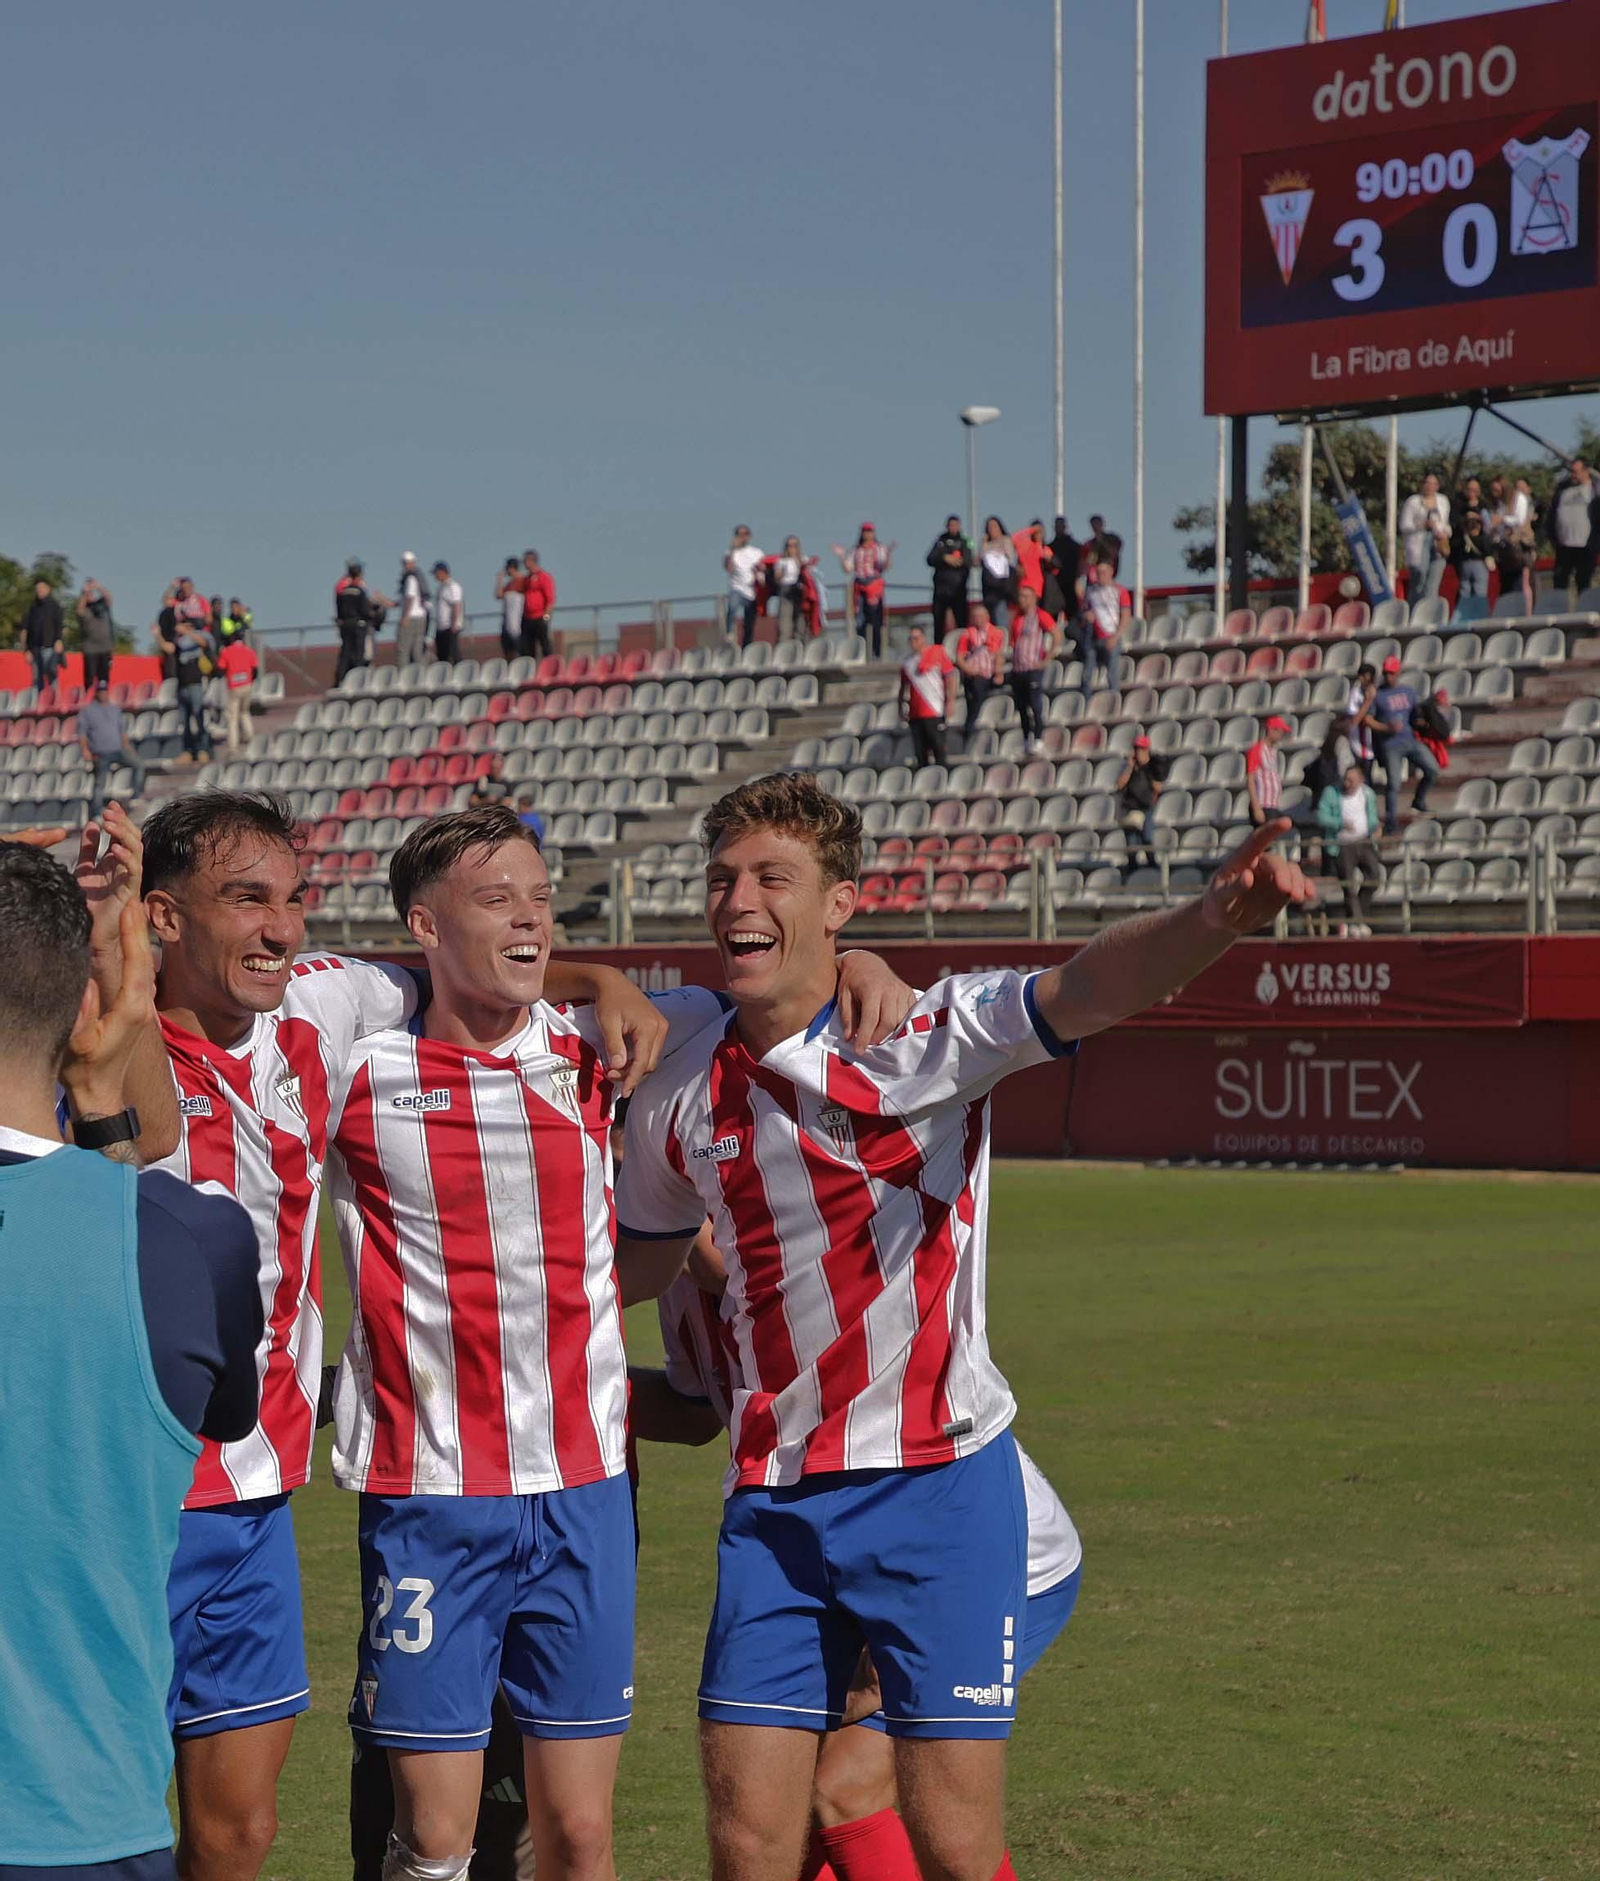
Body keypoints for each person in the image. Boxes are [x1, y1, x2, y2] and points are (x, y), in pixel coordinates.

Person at [611, 771, 1313, 1881]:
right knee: (746, 1843)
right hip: (775, 1506)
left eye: (771, 877)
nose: (736, 899)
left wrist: (1211, 918)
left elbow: (1087, 985)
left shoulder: (924, 1035)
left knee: (950, 1841)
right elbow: (639, 1258)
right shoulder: (677, 1081)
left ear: (841, 904)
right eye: (721, 878)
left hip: (937, 1491)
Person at [320, 807, 908, 1881]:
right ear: (424, 926)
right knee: (436, 1836)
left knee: (581, 1836)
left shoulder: (614, 1043)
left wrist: (859, 952)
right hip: (430, 1495)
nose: (531, 921)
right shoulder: (355, 1071)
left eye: (542, 901)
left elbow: (781, 980)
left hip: (587, 1493)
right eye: (497, 901)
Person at [141, 790, 669, 1881]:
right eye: (246, 900)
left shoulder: (340, 1012)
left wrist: (605, 977)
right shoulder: (124, 1042)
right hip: (342, 1490)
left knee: (251, 1830)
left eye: (293, 902)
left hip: (284, 1493)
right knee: (105, 1814)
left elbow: (756, 1007)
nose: (280, 929)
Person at [650, 1244, 1080, 1881]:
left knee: (844, 1787)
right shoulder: (675, 1284)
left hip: (990, 1554)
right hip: (820, 1544)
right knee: (776, 1813)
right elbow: (692, 1410)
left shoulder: (814, 1236)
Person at [0, 839, 262, 1881]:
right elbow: (216, 1408)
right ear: (80, 1014)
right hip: (82, 1828)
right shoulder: (189, 1240)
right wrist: (110, 1095)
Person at [1369, 656, 1438, 833]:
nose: (1388, 677)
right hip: (1391, 744)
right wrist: (1385, 727)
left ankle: (1419, 800)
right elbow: (1367, 720)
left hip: (1409, 739)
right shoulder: (1377, 694)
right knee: (1394, 783)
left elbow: (1415, 714)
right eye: (1385, 673)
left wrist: (1422, 720)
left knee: (1432, 769)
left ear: (1398, 673)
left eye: (1391, 673)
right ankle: (1391, 821)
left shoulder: (1408, 692)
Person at [1317, 763, 1384, 933]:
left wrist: (1376, 827)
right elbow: (1321, 816)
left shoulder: (1367, 794)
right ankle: (1356, 923)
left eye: (1351, 781)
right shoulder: (1331, 793)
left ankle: (1354, 919)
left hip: (1365, 841)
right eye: (1345, 780)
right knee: (1348, 884)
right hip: (1343, 844)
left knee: (1374, 877)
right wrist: (1340, 824)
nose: (1347, 783)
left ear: (1361, 781)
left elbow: (1372, 816)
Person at [79, 678, 148, 818]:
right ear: (96, 693)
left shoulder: (114, 709)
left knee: (139, 764)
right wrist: (85, 750)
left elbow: (122, 730)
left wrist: (127, 746)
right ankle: (96, 812)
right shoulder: (87, 711)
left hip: (118, 750)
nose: (103, 694)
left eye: (105, 691)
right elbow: (82, 733)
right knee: (99, 783)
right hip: (100, 752)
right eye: (100, 691)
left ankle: (136, 795)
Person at [156, 606, 215, 764]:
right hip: (182, 685)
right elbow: (168, 648)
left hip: (195, 683)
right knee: (184, 720)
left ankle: (204, 749)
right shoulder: (179, 641)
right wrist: (158, 636)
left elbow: (204, 643)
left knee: (199, 716)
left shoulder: (200, 635)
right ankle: (188, 751)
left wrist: (188, 631)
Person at [899, 623, 956, 771]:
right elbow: (903, 687)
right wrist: (900, 707)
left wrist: (950, 701)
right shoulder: (907, 662)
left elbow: (950, 677)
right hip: (915, 714)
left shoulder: (936, 652)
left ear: (923, 638)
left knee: (938, 749)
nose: (913, 642)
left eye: (916, 638)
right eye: (910, 639)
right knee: (920, 753)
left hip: (934, 710)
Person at [829, 525, 894, 655]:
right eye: (865, 532)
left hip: (874, 587)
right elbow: (848, 569)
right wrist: (841, 556)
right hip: (859, 588)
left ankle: (877, 652)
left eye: (870, 532)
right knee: (860, 622)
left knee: (876, 622)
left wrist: (889, 554)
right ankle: (862, 651)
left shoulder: (879, 549)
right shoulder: (855, 550)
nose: (867, 535)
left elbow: (885, 566)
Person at [1008, 585, 1056, 754]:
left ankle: (1038, 738)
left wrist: (1045, 660)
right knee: (1021, 707)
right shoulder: (1017, 618)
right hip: (1018, 669)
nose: (1022, 600)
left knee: (1035, 704)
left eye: (1026, 596)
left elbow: (1057, 635)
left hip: (1033, 667)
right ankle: (1026, 738)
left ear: (1034, 598)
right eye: (1021, 596)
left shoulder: (1041, 615)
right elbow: (1014, 642)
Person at [1548, 457, 1599, 600]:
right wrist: (1553, 538)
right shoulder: (1563, 490)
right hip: (1564, 546)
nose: (1573, 475)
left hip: (1585, 546)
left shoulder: (1594, 489)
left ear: (1586, 471)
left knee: (1583, 583)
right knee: (1559, 582)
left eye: (1576, 472)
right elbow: (1552, 515)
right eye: (1571, 471)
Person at [1079, 559, 1130, 700]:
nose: (1100, 575)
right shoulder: (1091, 592)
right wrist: (1086, 616)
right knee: (1087, 673)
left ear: (1111, 573)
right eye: (1098, 572)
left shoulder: (1119, 591)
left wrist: (1115, 636)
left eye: (1104, 572)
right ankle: (1086, 703)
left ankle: (1113, 702)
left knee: (1112, 674)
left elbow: (1125, 616)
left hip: (1110, 634)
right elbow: (1083, 613)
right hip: (1093, 636)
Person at [334, 560, 389, 686]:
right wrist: (374, 615)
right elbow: (365, 610)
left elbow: (339, 610)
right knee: (359, 654)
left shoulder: (343, 591)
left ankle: (341, 679)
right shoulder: (359, 591)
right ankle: (358, 681)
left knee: (345, 653)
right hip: (358, 625)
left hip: (345, 625)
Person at [1116, 734, 1167, 867]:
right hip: (1131, 807)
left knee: (1147, 838)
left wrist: (1147, 769)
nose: (1138, 752)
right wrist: (1130, 767)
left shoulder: (1154, 765)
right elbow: (1120, 785)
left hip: (1146, 806)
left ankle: (1153, 867)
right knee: (1131, 844)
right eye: (1136, 749)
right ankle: (1132, 871)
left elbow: (1158, 787)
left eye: (1141, 749)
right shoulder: (1129, 766)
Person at [1399, 473, 1451, 602]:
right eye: (1427, 483)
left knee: (1433, 582)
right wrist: (1421, 524)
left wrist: (1445, 531)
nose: (1430, 487)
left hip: (1438, 543)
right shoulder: (1413, 501)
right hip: (1419, 542)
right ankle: (1414, 611)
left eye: (1433, 484)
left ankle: (1430, 613)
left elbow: (1446, 523)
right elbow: (1404, 525)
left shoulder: (1443, 501)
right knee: (1419, 577)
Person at [1488, 476, 1536, 614]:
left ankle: (1521, 614)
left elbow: (1519, 520)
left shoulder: (1518, 498)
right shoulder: (1500, 503)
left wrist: (1502, 519)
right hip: (1503, 550)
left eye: (1496, 489)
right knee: (1506, 584)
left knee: (1519, 583)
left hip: (1517, 548)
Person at [955, 603, 1006, 730]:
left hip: (990, 672)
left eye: (981, 616)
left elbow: (998, 654)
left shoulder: (995, 633)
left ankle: (973, 722)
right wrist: (969, 670)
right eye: (975, 616)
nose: (978, 619)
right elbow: (959, 658)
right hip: (974, 673)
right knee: (973, 689)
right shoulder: (967, 634)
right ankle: (971, 724)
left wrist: (998, 672)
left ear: (987, 616)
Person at [927, 515, 972, 638]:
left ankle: (963, 647)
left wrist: (957, 561)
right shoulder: (940, 541)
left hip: (958, 589)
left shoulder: (965, 541)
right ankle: (938, 650)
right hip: (941, 590)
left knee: (961, 621)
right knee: (938, 621)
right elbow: (930, 559)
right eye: (950, 525)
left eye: (955, 525)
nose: (953, 527)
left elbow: (968, 560)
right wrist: (944, 558)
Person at [217, 630, 260, 751]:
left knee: (232, 718)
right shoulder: (249, 651)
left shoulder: (226, 652)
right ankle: (250, 737)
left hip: (234, 687)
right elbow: (255, 671)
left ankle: (233, 746)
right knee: (245, 712)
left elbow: (220, 670)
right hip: (247, 686)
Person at [1450, 478, 1491, 605]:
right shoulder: (1458, 506)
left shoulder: (1484, 507)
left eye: (1475, 490)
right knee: (1465, 590)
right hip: (1463, 556)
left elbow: (1490, 527)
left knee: (1480, 590)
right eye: (1469, 489)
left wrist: (1479, 518)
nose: (1472, 492)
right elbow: (1453, 525)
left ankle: (1479, 615)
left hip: (1480, 558)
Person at [20, 577, 64, 693]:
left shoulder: (55, 606)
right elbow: (25, 629)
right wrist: (26, 650)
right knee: (36, 678)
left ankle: (54, 703)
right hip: (34, 649)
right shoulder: (32, 608)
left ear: (48, 589)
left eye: (42, 588)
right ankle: (38, 705)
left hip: (49, 647)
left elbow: (59, 625)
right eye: (37, 588)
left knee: (51, 675)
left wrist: (59, 640)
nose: (40, 590)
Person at [1245, 715, 1289, 827]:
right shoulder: (1257, 750)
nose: (1281, 735)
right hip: (1262, 805)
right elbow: (1250, 779)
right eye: (1280, 731)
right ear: (1271, 730)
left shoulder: (1273, 752)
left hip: (1272, 805)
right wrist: (1257, 808)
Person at [726, 525, 765, 647]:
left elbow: (763, 570)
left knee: (749, 621)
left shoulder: (757, 552)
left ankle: (747, 644)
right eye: (739, 534)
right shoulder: (730, 553)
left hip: (751, 590)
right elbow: (729, 568)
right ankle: (729, 633)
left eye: (745, 534)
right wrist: (732, 550)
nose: (742, 537)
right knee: (732, 607)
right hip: (737, 587)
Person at [77, 576, 116, 689]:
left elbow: (108, 598)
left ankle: (103, 700)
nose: (91, 595)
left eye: (92, 593)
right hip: (90, 648)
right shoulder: (85, 609)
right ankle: (89, 700)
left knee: (104, 678)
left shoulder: (102, 605)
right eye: (88, 594)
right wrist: (85, 592)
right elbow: (79, 610)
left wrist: (98, 586)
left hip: (105, 647)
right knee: (89, 677)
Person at [976, 517, 1015, 626]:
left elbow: (1009, 559)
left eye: (994, 526)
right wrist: (983, 544)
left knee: (1000, 614)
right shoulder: (986, 544)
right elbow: (978, 561)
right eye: (989, 527)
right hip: (988, 587)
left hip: (1000, 586)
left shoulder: (1005, 540)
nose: (992, 529)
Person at [396, 552, 431, 669]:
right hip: (421, 617)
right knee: (417, 651)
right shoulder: (418, 577)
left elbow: (410, 598)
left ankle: (403, 677)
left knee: (403, 650)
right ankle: (423, 675)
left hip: (410, 618)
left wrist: (405, 617)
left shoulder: (410, 578)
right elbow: (401, 601)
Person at [521, 550, 557, 660]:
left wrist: (546, 617)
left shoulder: (544, 577)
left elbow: (550, 599)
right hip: (527, 618)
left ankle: (549, 669)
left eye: (526, 560)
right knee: (528, 649)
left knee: (545, 646)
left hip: (540, 617)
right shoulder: (526, 579)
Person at [1011, 521, 1052, 616]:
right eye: (1036, 532)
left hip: (1036, 585)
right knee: (1022, 611)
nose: (1038, 534)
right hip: (1023, 583)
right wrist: (1032, 529)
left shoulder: (1044, 548)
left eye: (1040, 532)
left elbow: (1053, 568)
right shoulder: (1025, 545)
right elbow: (1014, 538)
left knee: (1034, 612)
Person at [1347, 662, 1378, 777]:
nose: (1361, 678)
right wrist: (1368, 701)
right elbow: (1354, 720)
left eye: (1365, 675)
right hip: (1360, 743)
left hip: (1377, 740)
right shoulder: (1355, 693)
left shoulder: (1379, 692)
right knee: (1364, 776)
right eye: (1360, 675)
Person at [1045, 515, 1080, 617]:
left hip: (1070, 584)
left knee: (1072, 616)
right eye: (1057, 526)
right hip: (1054, 587)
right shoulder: (1050, 547)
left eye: (1061, 525)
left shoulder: (1074, 546)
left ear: (1065, 527)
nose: (1059, 528)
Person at [433, 560, 465, 665]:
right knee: (442, 655)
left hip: (450, 626)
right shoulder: (441, 588)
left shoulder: (453, 586)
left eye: (436, 573)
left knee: (453, 652)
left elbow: (456, 605)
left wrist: (454, 623)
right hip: (441, 626)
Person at [496, 557, 527, 659]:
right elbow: (499, 595)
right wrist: (500, 581)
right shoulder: (509, 584)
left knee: (518, 646)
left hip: (517, 619)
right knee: (507, 648)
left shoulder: (522, 580)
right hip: (507, 620)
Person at [1076, 514, 1122, 580]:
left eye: (1097, 523)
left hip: (1110, 571)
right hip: (1096, 575)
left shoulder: (1113, 538)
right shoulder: (1091, 543)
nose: (1095, 526)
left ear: (1102, 524)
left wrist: (1101, 541)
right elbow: (1091, 561)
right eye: (1093, 524)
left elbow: (1113, 553)